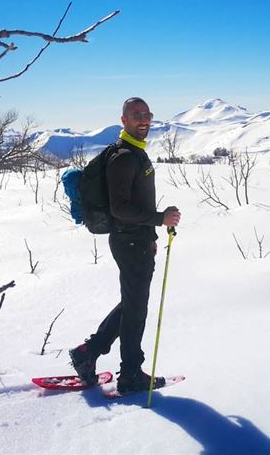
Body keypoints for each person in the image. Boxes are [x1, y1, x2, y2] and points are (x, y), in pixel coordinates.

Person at [69, 97, 181, 394]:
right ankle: (130, 374)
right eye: (136, 115)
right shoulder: (125, 158)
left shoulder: (134, 152)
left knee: (133, 303)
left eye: (147, 114)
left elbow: (137, 201)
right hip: (129, 241)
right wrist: (160, 219)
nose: (144, 119)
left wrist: (153, 236)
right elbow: (120, 208)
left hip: (138, 240)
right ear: (124, 120)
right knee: (136, 308)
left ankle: (88, 352)